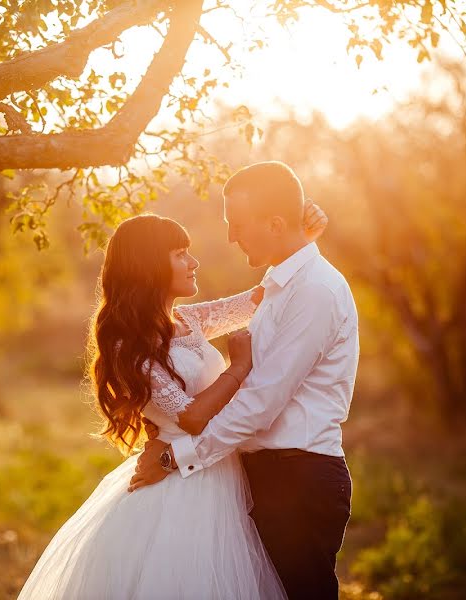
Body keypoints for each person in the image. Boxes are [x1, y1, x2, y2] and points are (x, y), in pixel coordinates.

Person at [17, 198, 328, 599]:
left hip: (218, 470)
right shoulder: (127, 343)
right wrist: (238, 367)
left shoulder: (189, 320)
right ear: (149, 266)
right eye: (181, 254)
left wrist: (299, 243)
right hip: (181, 487)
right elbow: (191, 418)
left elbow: (259, 297)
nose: (193, 262)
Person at [130, 161, 360, 600]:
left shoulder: (315, 290)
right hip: (263, 477)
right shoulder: (281, 285)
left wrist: (175, 459)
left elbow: (260, 403)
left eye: (237, 225)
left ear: (274, 224)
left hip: (298, 478)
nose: (231, 237)